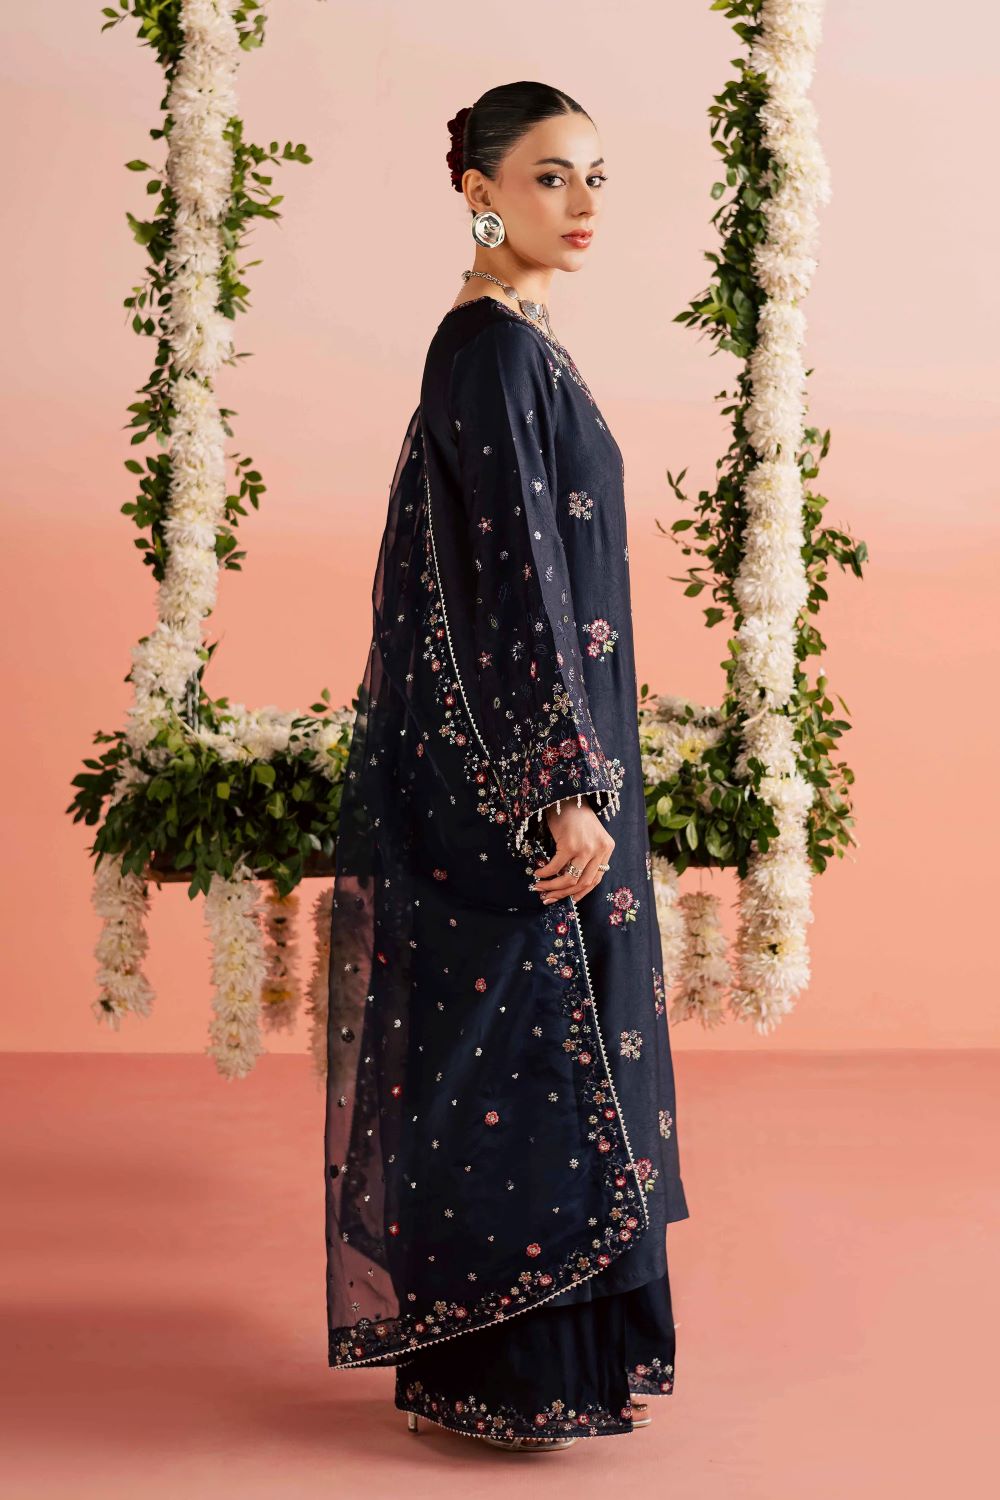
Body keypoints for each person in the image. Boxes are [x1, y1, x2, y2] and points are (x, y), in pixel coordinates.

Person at [324, 81, 690, 1453]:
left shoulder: (523, 348)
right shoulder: (488, 353)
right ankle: (515, 1377)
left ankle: (553, 1370)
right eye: (550, 177)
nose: (584, 205)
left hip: (564, 755)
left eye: (597, 176)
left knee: (563, 1047)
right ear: (480, 191)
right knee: (530, 1055)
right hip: (532, 780)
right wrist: (560, 786)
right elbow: (517, 584)